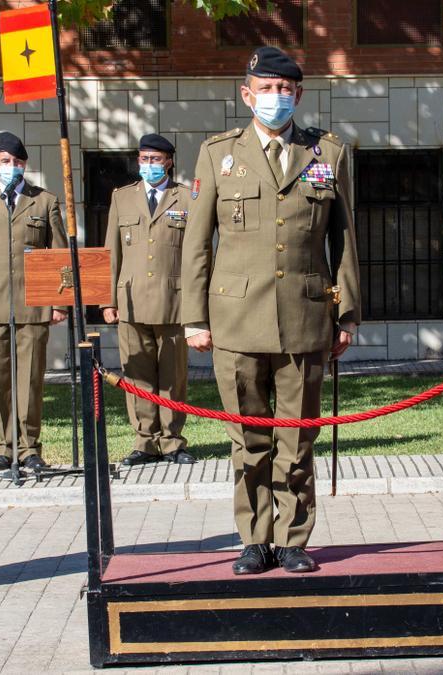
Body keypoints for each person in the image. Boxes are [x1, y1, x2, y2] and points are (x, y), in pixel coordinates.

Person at [182, 46, 361, 575]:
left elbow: (345, 238)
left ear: (299, 95)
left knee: (297, 437)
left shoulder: (328, 153)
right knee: (247, 440)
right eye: (266, 88)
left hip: (306, 321)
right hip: (235, 322)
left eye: (285, 89)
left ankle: (293, 538)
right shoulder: (218, 154)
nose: (275, 98)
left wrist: (346, 313)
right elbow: (197, 242)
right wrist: (194, 317)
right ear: (247, 94)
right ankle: (254, 537)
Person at [0, 131, 69, 472]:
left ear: (25, 165)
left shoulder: (44, 201)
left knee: (31, 380)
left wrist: (60, 301)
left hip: (33, 304)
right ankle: (5, 447)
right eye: (6, 161)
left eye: (18, 162)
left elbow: (60, 254)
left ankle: (29, 448)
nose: (12, 167)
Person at [102, 133, 196, 467]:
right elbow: (111, 251)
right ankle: (145, 441)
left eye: (155, 159)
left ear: (169, 161)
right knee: (137, 374)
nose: (149, 165)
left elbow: (198, 253)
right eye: (144, 159)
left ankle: (172, 441)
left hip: (175, 300)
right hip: (130, 300)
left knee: (173, 375)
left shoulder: (186, 197)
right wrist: (107, 301)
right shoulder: (122, 198)